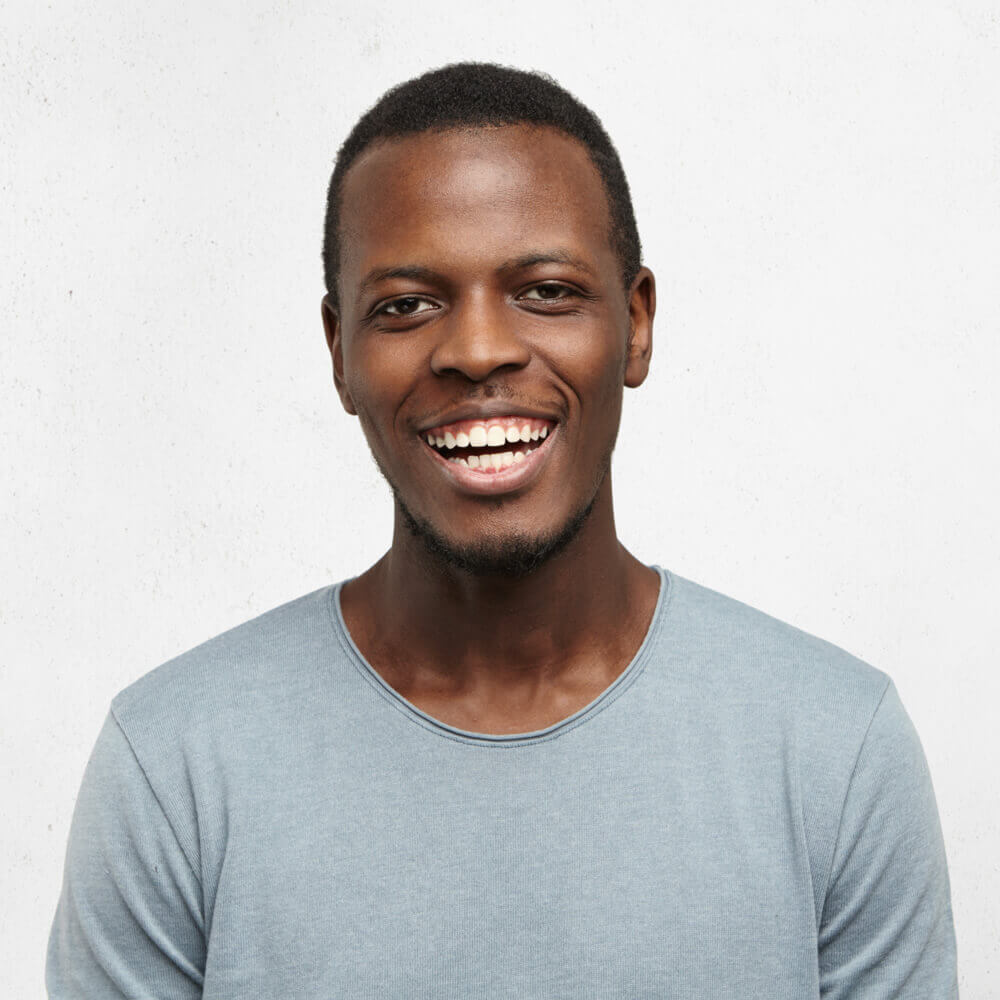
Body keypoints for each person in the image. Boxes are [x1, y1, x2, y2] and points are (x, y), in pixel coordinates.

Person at [46, 62, 959, 998]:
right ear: (340, 352)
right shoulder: (176, 767)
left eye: (546, 291)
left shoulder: (835, 751)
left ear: (636, 323)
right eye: (406, 305)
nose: (478, 349)